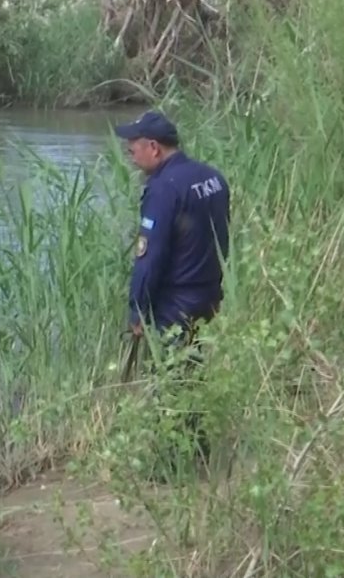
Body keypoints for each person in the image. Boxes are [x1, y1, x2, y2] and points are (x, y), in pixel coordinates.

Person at [115, 109, 230, 479]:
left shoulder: (164, 189)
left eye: (133, 147)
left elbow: (150, 257)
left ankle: (172, 468)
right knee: (192, 373)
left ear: (153, 147)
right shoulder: (213, 179)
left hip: (176, 301)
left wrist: (137, 311)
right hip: (209, 295)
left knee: (171, 381)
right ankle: (198, 453)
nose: (130, 154)